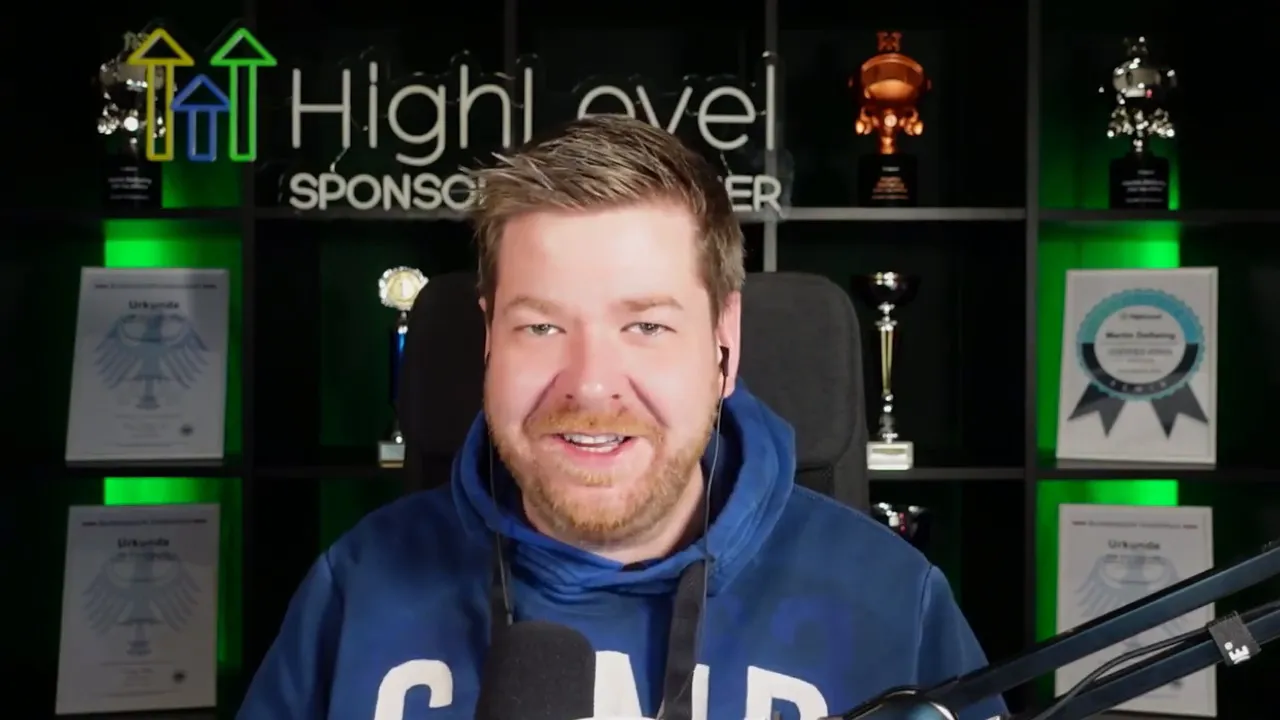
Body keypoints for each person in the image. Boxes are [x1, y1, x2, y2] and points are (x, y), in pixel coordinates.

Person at [237, 115, 1007, 720]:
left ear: (723, 345)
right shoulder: (358, 588)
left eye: (645, 326)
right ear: (488, 341)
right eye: (541, 327)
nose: (592, 385)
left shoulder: (891, 603)